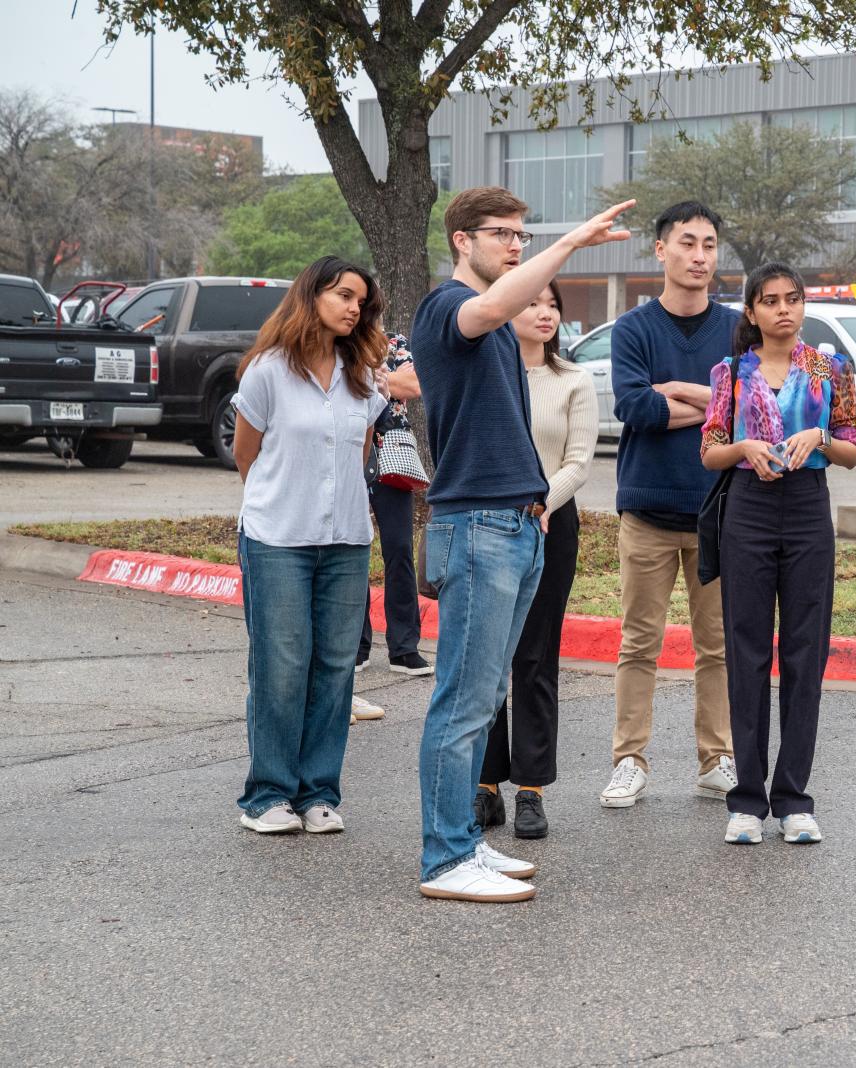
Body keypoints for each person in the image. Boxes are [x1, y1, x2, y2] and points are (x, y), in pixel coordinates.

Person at [411, 186, 632, 903]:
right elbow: (492, 306)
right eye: (501, 233)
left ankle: (466, 842)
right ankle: (445, 859)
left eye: (522, 234)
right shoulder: (449, 309)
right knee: (463, 702)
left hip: (514, 522)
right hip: (475, 527)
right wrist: (569, 245)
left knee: (480, 699)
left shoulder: (503, 327)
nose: (516, 243)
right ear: (460, 241)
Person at [700, 263, 856, 846]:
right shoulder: (731, 375)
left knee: (804, 651)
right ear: (752, 312)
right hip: (747, 504)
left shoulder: (828, 369)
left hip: (807, 506)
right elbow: (710, 451)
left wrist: (820, 437)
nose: (783, 310)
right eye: (769, 301)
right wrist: (744, 444)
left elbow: (852, 447)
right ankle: (746, 800)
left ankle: (793, 797)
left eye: (793, 299)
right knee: (744, 650)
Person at [231, 256, 391, 836]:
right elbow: (245, 454)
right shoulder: (268, 371)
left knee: (334, 668)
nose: (354, 308)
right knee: (281, 666)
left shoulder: (364, 376)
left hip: (346, 538)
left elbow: (362, 452)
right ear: (311, 295)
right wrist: (281, 497)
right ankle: (267, 795)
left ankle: (318, 792)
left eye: (361, 301)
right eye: (344, 295)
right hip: (277, 538)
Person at [602, 201, 741, 809]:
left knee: (719, 646)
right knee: (639, 643)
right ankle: (629, 759)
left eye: (709, 244)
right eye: (688, 243)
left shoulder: (738, 329)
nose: (700, 256)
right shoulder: (633, 329)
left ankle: (718, 758)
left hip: (721, 511)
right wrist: (715, 404)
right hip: (648, 511)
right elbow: (633, 408)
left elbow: (749, 409)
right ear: (661, 250)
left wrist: (681, 393)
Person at [475, 281, 598, 840]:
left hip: (552, 520)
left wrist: (540, 501)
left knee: (534, 657)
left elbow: (578, 461)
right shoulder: (488, 373)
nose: (545, 312)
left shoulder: (574, 378)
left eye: (553, 305)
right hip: (490, 522)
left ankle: (530, 789)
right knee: (487, 654)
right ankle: (485, 783)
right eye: (533, 303)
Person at [355, 332, 431, 679]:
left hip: (392, 453)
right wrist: (385, 380)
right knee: (351, 547)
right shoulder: (337, 341)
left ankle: (404, 648)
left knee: (399, 548)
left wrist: (366, 377)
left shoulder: (394, 342)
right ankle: (355, 645)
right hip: (349, 448)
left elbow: (412, 385)